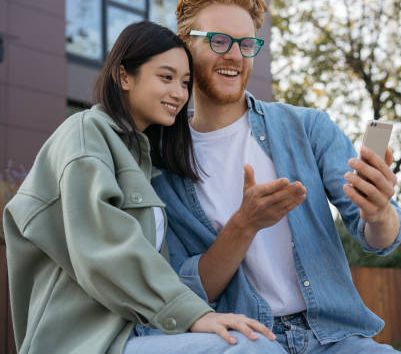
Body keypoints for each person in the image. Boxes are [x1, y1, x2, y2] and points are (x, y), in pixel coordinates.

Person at [151, 0, 401, 354]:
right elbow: (189, 293)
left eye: (246, 44)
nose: (235, 56)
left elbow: (380, 238)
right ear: (185, 46)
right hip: (248, 337)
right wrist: (244, 224)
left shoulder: (307, 128)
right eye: (219, 41)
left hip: (333, 336)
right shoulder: (163, 167)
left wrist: (380, 212)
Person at [2, 21, 286, 354]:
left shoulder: (145, 161)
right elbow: (104, 250)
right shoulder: (84, 134)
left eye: (185, 83)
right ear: (124, 76)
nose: (179, 93)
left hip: (139, 334)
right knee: (251, 350)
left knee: (258, 342)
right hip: (84, 343)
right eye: (165, 78)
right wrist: (195, 315)